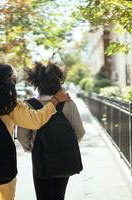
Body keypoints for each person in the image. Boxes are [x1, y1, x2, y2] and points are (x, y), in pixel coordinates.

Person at [0, 63, 70, 200]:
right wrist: (55, 100)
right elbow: (36, 120)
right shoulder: (10, 104)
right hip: (3, 164)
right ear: (11, 81)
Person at [17, 62, 85, 200]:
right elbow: (80, 131)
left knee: (43, 196)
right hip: (64, 156)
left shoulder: (29, 105)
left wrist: (31, 148)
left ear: (37, 83)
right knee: (59, 195)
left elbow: (22, 136)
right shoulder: (68, 103)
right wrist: (67, 144)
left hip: (40, 158)